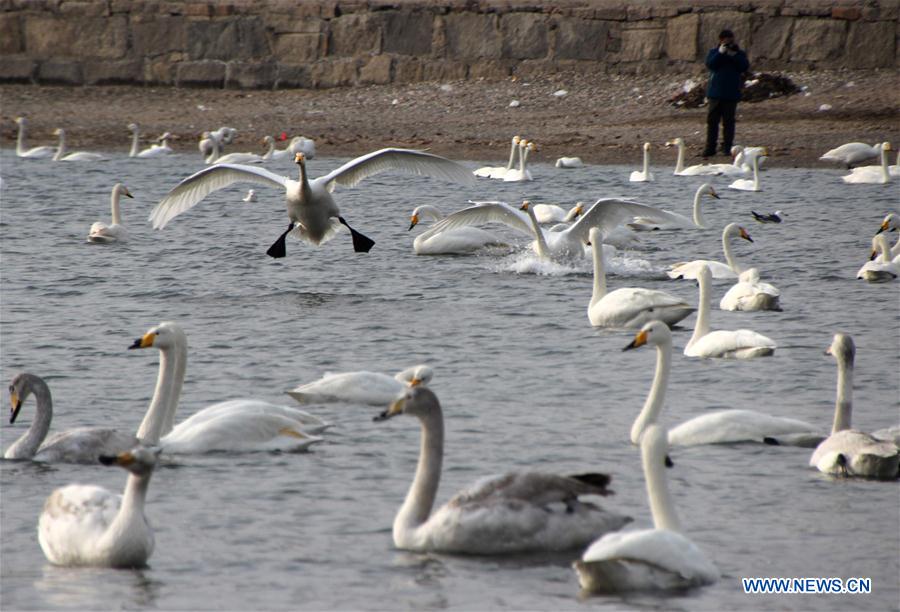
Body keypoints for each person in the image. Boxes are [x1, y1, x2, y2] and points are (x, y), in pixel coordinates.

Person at [702, 29, 750, 158]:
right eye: (726, 40)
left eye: (731, 39)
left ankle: (727, 147)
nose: (729, 42)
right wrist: (720, 53)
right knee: (712, 121)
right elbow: (710, 64)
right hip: (715, 93)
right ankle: (710, 147)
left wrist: (733, 55)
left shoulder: (739, 54)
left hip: (731, 93)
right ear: (721, 40)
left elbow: (744, 66)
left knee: (729, 122)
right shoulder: (714, 52)